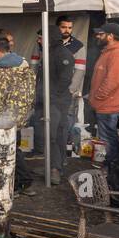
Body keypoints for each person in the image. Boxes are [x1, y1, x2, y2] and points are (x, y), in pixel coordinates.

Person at [0, 38, 37, 192]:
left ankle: (23, 180)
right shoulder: (24, 66)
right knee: (14, 147)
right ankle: (20, 180)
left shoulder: (1, 71)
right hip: (20, 115)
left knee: (8, 149)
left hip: (4, 117)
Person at [33, 17, 81, 184]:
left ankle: (55, 169)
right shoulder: (49, 52)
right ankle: (51, 166)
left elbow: (65, 79)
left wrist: (51, 98)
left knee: (55, 135)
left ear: (49, 38)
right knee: (50, 135)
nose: (39, 40)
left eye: (41, 37)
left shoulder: (63, 54)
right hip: (48, 100)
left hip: (57, 102)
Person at [88, 22, 119, 165]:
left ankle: (112, 168)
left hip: (108, 105)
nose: (98, 36)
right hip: (105, 104)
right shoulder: (109, 52)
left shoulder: (118, 54)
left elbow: (112, 81)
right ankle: (112, 166)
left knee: (109, 139)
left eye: (101, 34)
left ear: (111, 36)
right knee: (109, 137)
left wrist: (97, 97)